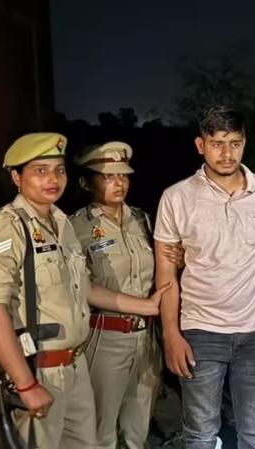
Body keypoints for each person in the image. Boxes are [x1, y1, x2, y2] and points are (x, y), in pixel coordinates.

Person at [0, 133, 168, 449]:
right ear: (16, 177)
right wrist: (25, 384)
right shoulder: (8, 227)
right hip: (39, 367)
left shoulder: (61, 224)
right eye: (40, 170)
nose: (52, 179)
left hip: (75, 366)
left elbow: (85, 288)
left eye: (58, 170)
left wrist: (146, 306)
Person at [153, 105, 255, 449]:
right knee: (201, 433)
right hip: (201, 330)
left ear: (244, 143)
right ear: (200, 145)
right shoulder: (176, 197)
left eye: (234, 143)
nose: (226, 153)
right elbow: (166, 272)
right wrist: (171, 333)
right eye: (217, 143)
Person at [70, 141, 183, 449]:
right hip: (105, 338)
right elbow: (83, 288)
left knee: (138, 425)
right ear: (86, 183)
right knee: (101, 430)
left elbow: (164, 264)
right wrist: (145, 306)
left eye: (123, 175)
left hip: (146, 339)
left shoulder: (144, 220)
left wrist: (180, 258)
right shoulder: (76, 228)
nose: (119, 182)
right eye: (108, 176)